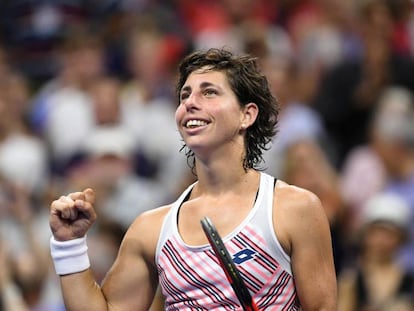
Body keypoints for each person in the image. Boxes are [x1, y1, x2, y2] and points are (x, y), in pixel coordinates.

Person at [48, 48, 337, 310]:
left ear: (246, 115)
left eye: (209, 92)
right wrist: (68, 245)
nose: (190, 103)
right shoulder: (150, 229)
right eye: (185, 95)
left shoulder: (295, 209)